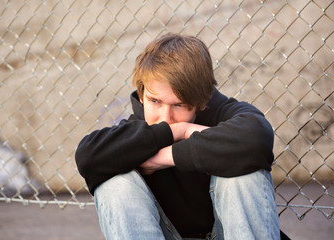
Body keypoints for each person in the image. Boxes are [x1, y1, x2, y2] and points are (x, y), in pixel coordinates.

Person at [75, 33, 284, 240]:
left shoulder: (222, 113)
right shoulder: (135, 130)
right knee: (113, 183)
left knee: (243, 171)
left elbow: (256, 138)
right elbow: (87, 155)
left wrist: (166, 154)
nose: (165, 117)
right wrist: (175, 131)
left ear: (201, 102)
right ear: (141, 94)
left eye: (179, 105)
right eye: (155, 101)